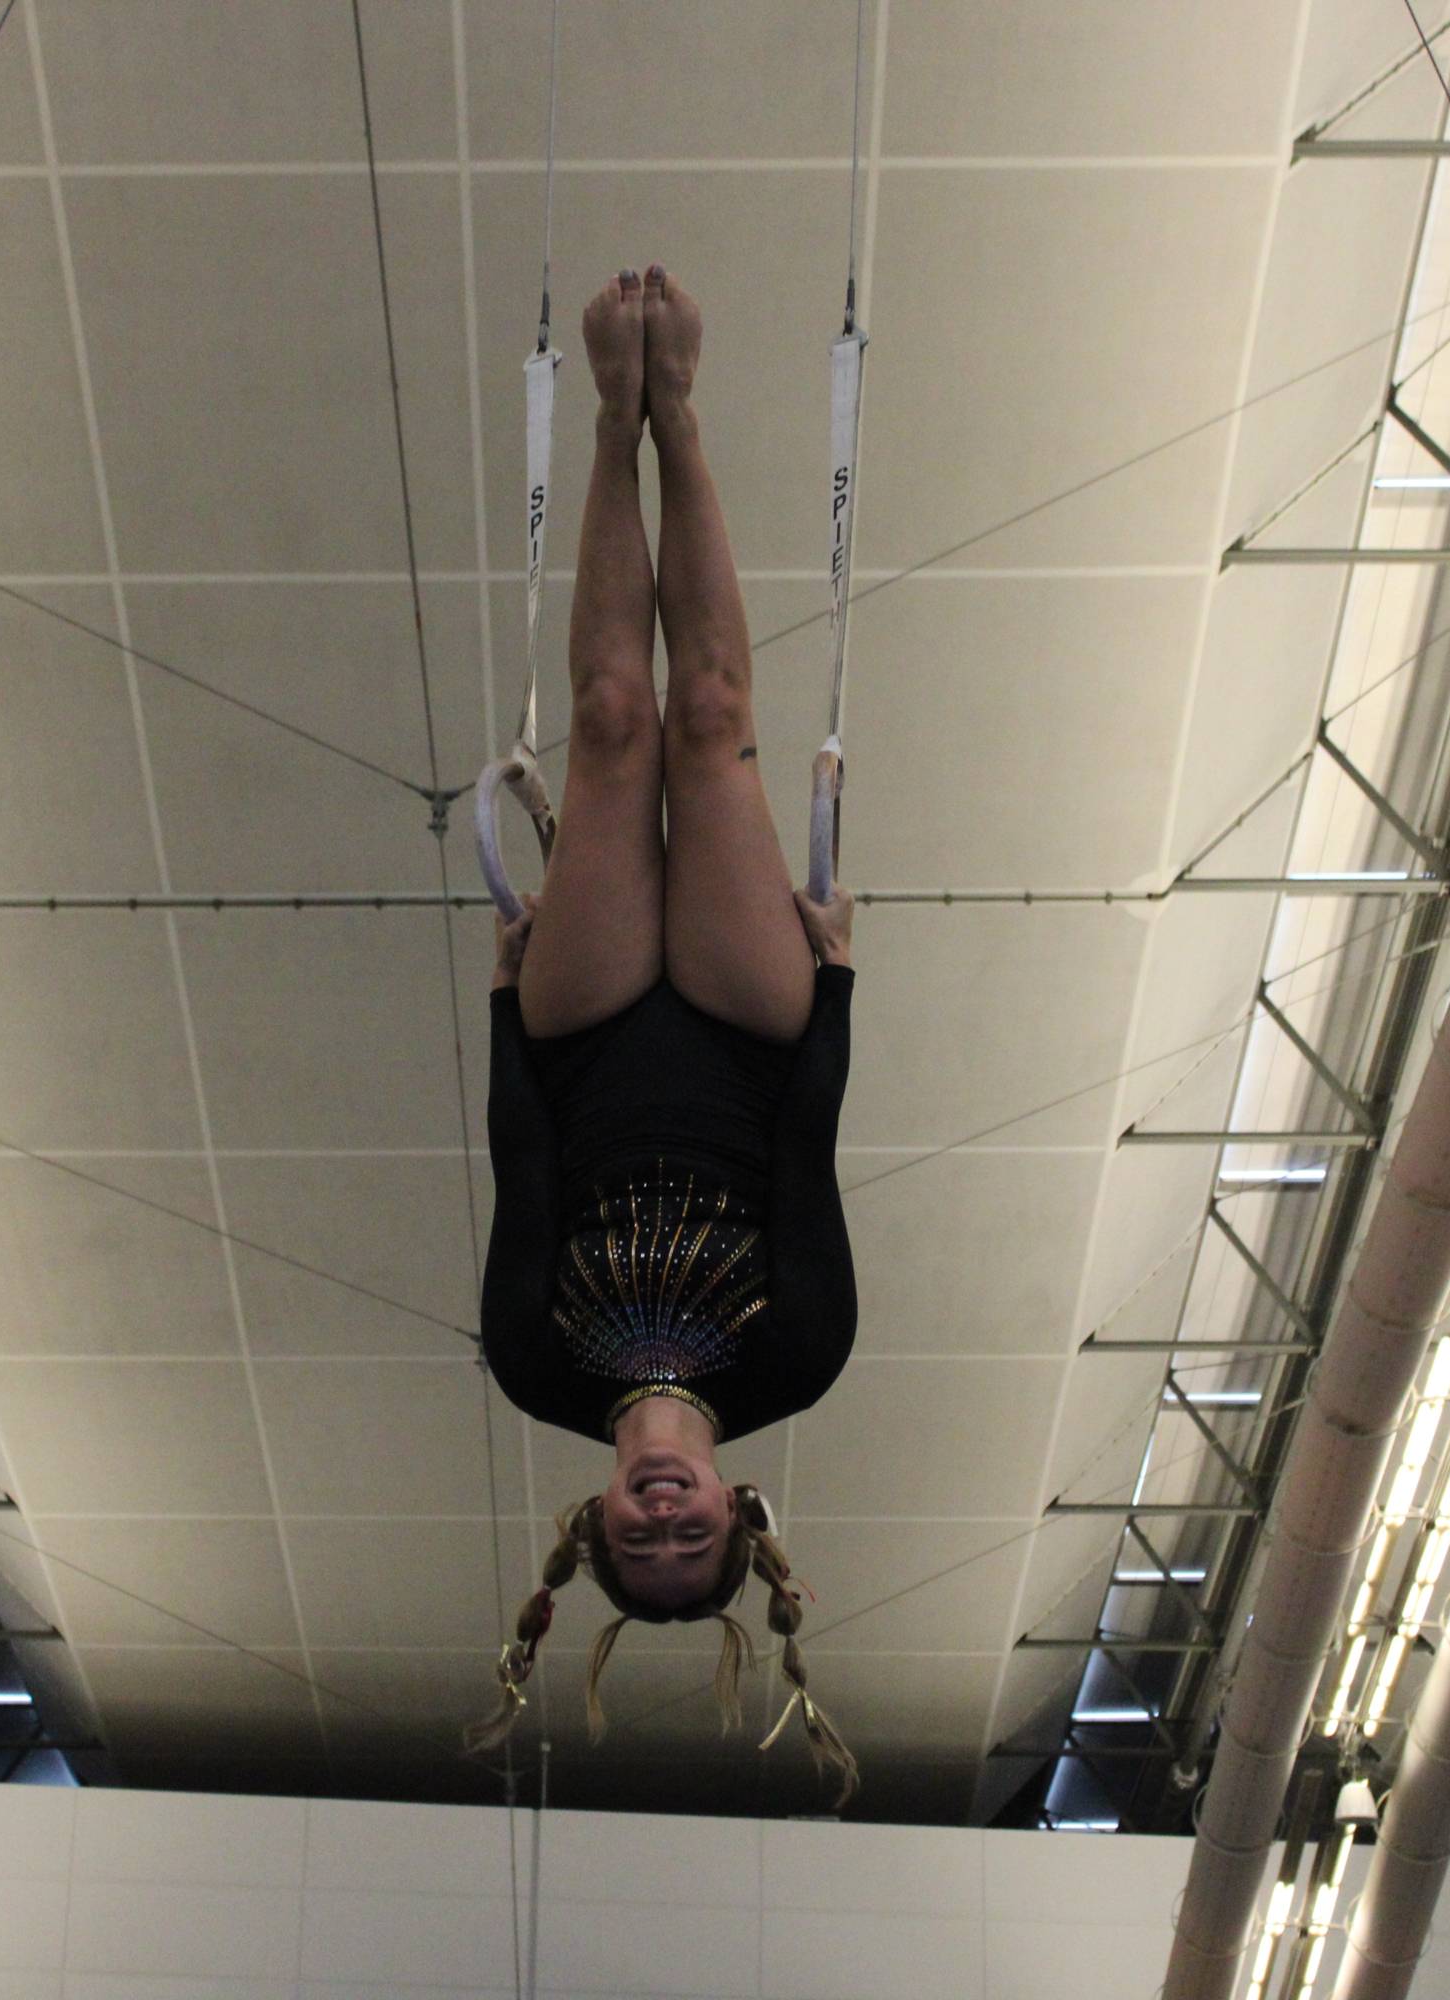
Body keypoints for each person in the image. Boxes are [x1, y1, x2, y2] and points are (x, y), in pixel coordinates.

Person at [470, 265, 858, 1805]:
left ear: (602, 1518)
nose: (665, 1518)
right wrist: (830, 987)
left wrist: (508, 1002)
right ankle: (677, 416)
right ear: (733, 1510)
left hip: (591, 1039)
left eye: (643, 1540)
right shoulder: (801, 1355)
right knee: (707, 717)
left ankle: (609, 416)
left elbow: (523, 1167)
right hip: (745, 1035)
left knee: (614, 724)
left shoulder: (531, 1362)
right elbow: (807, 1158)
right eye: (696, 1537)